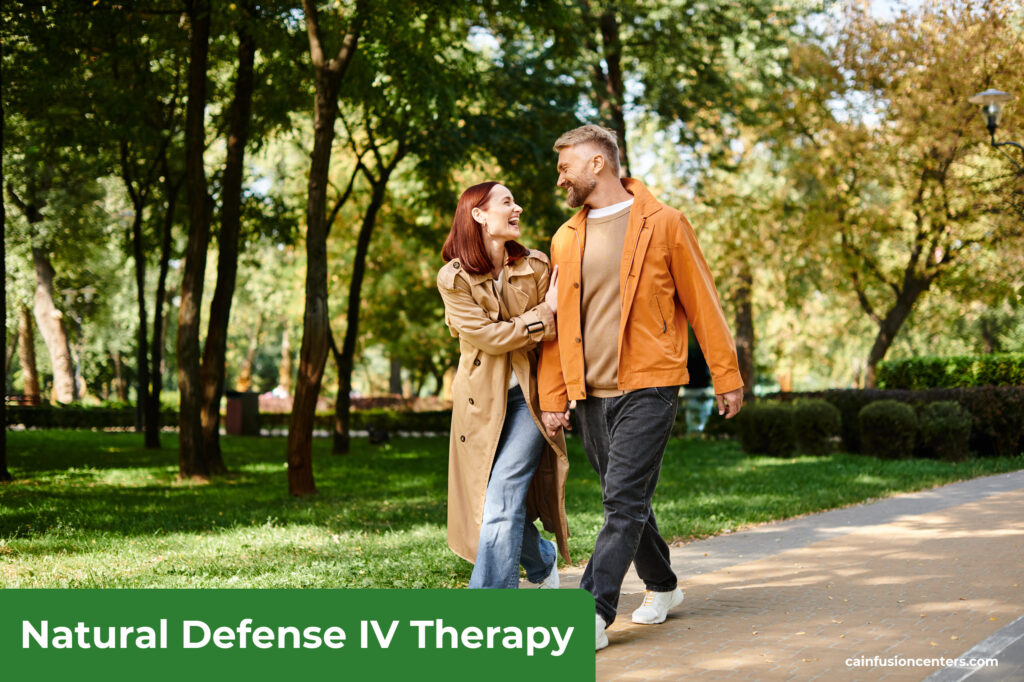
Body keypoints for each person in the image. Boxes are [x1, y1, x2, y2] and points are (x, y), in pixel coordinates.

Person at [537, 125, 744, 650]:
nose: (559, 176)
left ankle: (592, 612)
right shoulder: (565, 238)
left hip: (650, 385)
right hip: (590, 393)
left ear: (597, 164)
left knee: (623, 501)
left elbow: (703, 300)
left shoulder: (665, 223)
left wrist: (727, 375)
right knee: (625, 500)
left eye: (566, 166)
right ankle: (665, 584)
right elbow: (556, 325)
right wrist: (554, 396)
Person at [437, 181, 570, 589]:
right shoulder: (453, 279)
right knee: (488, 499)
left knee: (501, 496)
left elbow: (559, 336)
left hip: (529, 401)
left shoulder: (537, 265)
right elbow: (489, 339)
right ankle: (541, 559)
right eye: (508, 202)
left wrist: (556, 397)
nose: (519, 208)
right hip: (479, 405)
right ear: (478, 214)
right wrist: (542, 314)